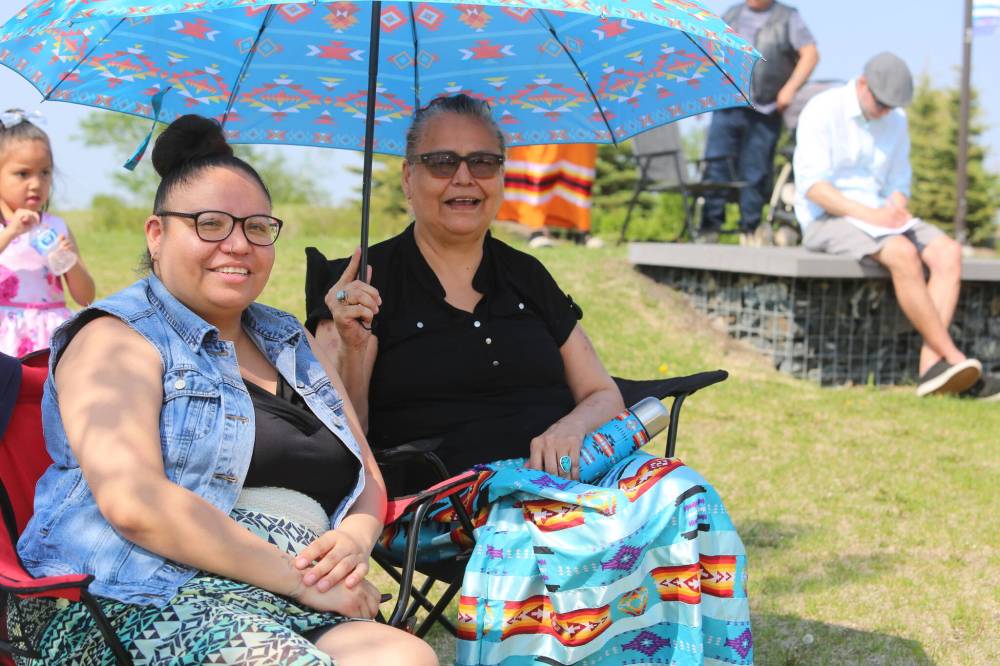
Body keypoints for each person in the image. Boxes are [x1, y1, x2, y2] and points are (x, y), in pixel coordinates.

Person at [305, 95, 751, 664]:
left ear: (502, 175)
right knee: (550, 530)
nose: (465, 178)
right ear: (408, 178)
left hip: (572, 468)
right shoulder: (355, 284)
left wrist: (571, 426)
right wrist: (350, 346)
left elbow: (601, 393)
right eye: (442, 162)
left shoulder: (526, 274)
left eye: (484, 163)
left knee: (683, 495)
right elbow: (348, 439)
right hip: (450, 500)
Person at [10, 115, 437, 665]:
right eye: (210, 223)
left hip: (283, 591)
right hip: (136, 593)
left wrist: (352, 543)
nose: (237, 244)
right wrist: (297, 579)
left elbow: (365, 479)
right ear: (157, 235)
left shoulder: (287, 338)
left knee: (405, 659)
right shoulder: (116, 338)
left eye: (257, 227)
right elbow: (135, 503)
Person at [793, 52, 995, 400]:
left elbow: (900, 181)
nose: (886, 111)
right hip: (828, 218)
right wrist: (870, 216)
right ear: (862, 84)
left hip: (881, 216)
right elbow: (814, 187)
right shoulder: (822, 110)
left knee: (948, 252)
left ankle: (932, 369)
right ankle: (953, 356)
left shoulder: (896, 119)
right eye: (882, 103)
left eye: (892, 105)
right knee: (902, 253)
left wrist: (896, 204)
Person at [699, 0, 819, 244]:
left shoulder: (787, 17)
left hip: (765, 108)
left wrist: (790, 89)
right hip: (727, 104)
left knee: (755, 170)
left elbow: (811, 53)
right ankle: (709, 228)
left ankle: (750, 229)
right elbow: (711, 52)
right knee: (715, 165)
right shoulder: (732, 14)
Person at [0, 109, 95, 357]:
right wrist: (11, 232)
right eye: (22, 174)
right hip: (5, 333)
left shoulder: (56, 227)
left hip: (49, 331)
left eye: (45, 172)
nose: (36, 183)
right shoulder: (4, 230)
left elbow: (85, 297)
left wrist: (69, 261)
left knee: (46, 393)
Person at [497, 143, 603, 248]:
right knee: (541, 164)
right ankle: (536, 229)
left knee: (579, 164)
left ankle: (582, 230)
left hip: (577, 130)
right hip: (542, 129)